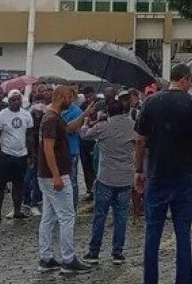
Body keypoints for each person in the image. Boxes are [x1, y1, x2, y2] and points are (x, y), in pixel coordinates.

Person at [134, 64, 192, 284]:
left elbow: (140, 140)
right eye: (191, 81)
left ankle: (150, 280)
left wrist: (138, 170)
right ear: (185, 79)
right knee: (183, 236)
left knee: (152, 235)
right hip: (184, 175)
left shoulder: (151, 102)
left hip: (157, 174)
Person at [36, 85, 93, 275]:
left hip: (49, 175)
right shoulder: (51, 119)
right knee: (67, 217)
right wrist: (56, 175)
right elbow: (48, 149)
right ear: (60, 97)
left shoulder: (54, 117)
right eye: (70, 97)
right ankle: (68, 259)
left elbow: (69, 129)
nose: (72, 100)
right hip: (56, 175)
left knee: (49, 217)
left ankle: (46, 258)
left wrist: (85, 114)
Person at [80, 99, 138, 265]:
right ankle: (117, 252)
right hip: (125, 177)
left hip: (106, 177)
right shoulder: (132, 125)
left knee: (100, 215)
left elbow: (84, 134)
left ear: (107, 112)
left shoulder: (103, 126)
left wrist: (86, 123)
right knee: (121, 216)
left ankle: (94, 252)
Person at [0, 89, 34, 220]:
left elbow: (29, 135)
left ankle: (17, 210)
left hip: (21, 154)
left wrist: (30, 154)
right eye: (13, 100)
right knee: (1, 185)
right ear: (9, 101)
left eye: (18, 99)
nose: (16, 102)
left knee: (19, 184)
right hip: (5, 154)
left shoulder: (26, 115)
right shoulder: (1, 116)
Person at [61, 88, 89, 208]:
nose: (67, 99)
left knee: (72, 180)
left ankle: (72, 205)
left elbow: (71, 129)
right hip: (59, 150)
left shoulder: (77, 111)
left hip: (71, 149)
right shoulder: (57, 110)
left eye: (70, 96)